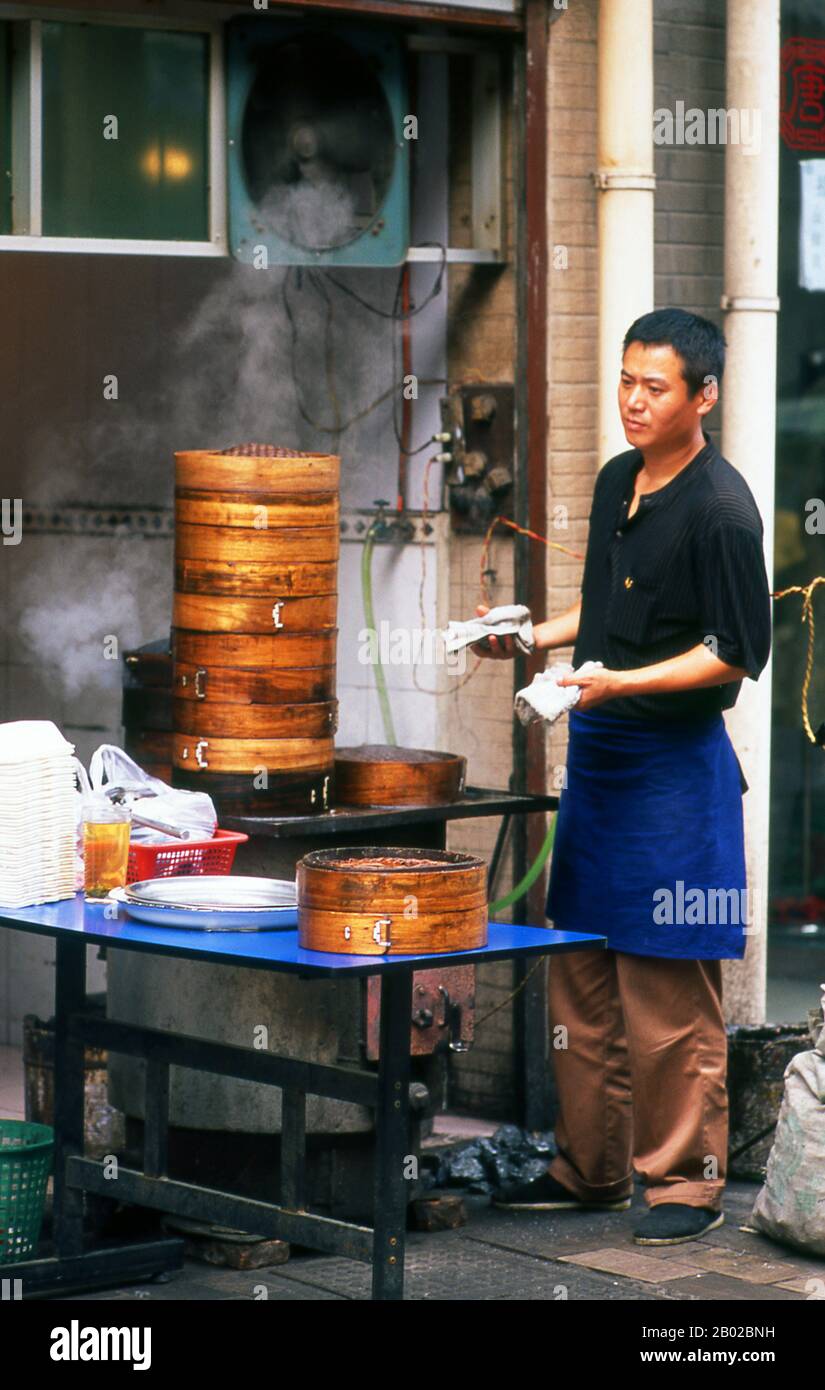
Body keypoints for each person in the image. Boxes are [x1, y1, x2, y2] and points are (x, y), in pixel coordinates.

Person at [472, 308, 772, 1246]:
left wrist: (619, 680)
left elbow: (735, 653)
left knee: (666, 986)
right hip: (600, 767)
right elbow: (601, 607)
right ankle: (587, 1167)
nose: (633, 402)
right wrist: (528, 635)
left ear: (703, 397)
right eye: (626, 381)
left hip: (674, 773)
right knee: (582, 977)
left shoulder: (722, 510)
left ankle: (683, 1184)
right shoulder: (616, 483)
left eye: (656, 387)